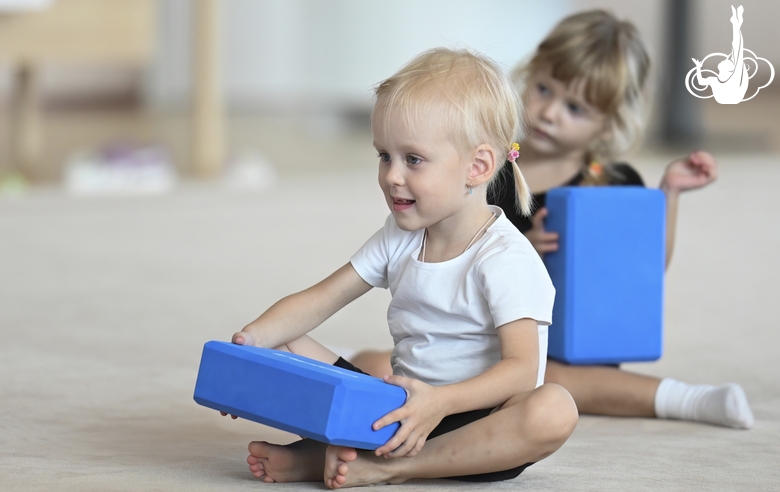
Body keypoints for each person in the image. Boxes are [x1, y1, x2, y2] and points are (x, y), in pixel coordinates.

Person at [352, 10, 754, 431]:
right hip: (482, 344)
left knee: (558, 382)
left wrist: (668, 195)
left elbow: (644, 272)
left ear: (607, 123)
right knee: (370, 364)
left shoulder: (610, 182)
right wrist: (527, 239)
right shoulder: (484, 169)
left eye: (575, 108)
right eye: (543, 89)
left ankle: (685, 398)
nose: (549, 113)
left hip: (562, 345)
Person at [223, 48, 578, 488]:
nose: (391, 175)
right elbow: (321, 298)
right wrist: (248, 348)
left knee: (554, 408)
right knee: (285, 335)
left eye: (412, 159)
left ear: (478, 166)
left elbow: (522, 371)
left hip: (474, 423)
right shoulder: (401, 234)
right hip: (396, 408)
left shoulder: (506, 258)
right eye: (384, 156)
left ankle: (391, 465)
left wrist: (440, 402)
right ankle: (338, 454)